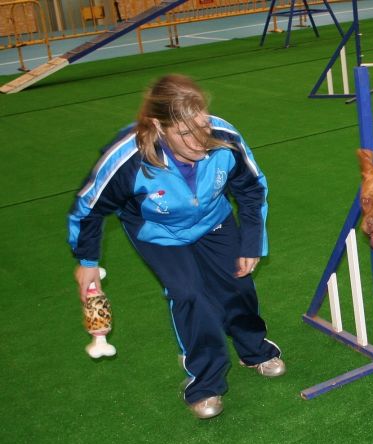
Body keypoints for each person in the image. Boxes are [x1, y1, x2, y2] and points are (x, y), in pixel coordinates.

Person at [68, 74, 285, 419]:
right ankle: (205, 382)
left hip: (214, 221)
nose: (200, 141)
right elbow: (89, 209)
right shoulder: (127, 158)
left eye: (202, 125)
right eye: (185, 132)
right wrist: (88, 260)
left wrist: (251, 241)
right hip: (159, 233)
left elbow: (251, 188)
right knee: (189, 294)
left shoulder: (223, 138)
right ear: (159, 126)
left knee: (237, 284)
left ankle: (254, 350)